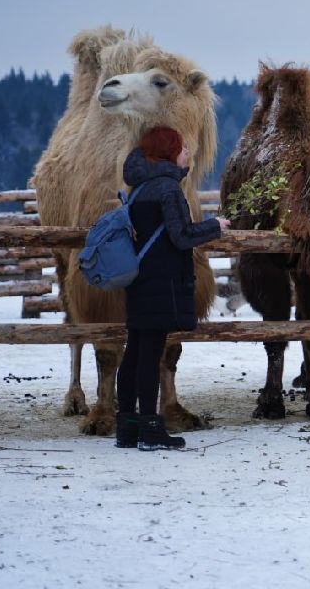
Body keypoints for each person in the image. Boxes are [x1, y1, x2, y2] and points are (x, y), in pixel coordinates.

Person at [115, 126, 230, 451]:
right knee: (150, 356)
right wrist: (215, 227)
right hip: (162, 283)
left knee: (134, 353)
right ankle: (151, 430)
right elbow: (182, 236)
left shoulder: (139, 186)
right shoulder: (167, 189)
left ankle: (128, 426)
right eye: (181, 148)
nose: (187, 153)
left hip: (140, 281)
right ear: (168, 152)